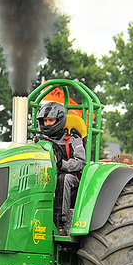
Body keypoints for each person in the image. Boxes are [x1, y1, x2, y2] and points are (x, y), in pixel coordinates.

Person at [35, 101, 86, 235]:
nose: (47, 124)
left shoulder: (73, 140)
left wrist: (61, 164)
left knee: (64, 178)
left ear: (60, 120)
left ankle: (60, 224)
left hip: (71, 178)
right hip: (46, 175)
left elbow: (80, 162)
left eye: (50, 120)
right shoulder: (39, 141)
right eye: (45, 120)